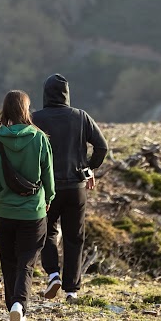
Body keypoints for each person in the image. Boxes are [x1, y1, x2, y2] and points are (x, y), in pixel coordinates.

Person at [0, 90, 55, 321]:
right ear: (26, 109)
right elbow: (48, 176)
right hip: (33, 212)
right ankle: (19, 308)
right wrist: (49, 198)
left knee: (8, 262)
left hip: (4, 211)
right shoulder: (39, 138)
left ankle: (12, 308)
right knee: (26, 262)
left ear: (5, 110)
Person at [31, 73, 109, 301]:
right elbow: (102, 147)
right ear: (67, 94)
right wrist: (89, 168)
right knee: (75, 237)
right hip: (76, 187)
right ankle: (72, 290)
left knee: (46, 232)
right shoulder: (80, 116)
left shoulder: (35, 118)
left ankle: (53, 274)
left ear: (45, 93)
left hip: (47, 189)